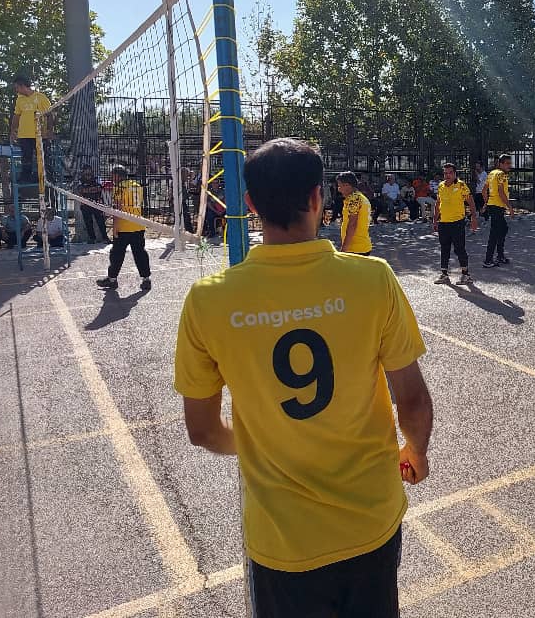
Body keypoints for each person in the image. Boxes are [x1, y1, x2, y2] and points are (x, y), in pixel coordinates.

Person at [173, 138, 433, 618]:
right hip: (370, 520)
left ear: (250, 205)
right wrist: (415, 451)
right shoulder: (373, 279)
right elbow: (413, 400)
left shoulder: (208, 300)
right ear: (317, 198)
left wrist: (262, 444)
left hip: (283, 540)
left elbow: (203, 430)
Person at [97, 165, 151, 291]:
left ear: (118, 175)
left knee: (116, 254)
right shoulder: (137, 186)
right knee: (140, 253)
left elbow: (118, 209)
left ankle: (112, 279)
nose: (111, 178)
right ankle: (146, 279)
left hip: (124, 227)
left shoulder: (119, 187)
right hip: (138, 224)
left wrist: (115, 227)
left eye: (112, 175)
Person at [433, 162, 479, 285]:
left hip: (457, 222)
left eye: (450, 173)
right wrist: (435, 220)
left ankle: (465, 274)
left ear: (455, 174)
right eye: (445, 173)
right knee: (444, 248)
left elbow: (470, 201)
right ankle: (444, 274)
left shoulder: (461, 185)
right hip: (443, 223)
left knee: (459, 248)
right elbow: (438, 203)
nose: (447, 175)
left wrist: (474, 218)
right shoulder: (441, 186)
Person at [10, 76, 53, 183]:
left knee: (42, 157)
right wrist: (13, 130)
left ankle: (45, 178)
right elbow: (16, 116)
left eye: (17, 87)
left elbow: (50, 115)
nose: (16, 90)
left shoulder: (41, 97)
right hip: (24, 135)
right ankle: (25, 178)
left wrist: (49, 130)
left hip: (39, 134)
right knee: (26, 158)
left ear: (22, 86)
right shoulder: (19, 99)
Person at [482, 154, 514, 268]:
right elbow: (501, 192)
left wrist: (486, 202)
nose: (509, 166)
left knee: (503, 229)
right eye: (507, 163)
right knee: (494, 233)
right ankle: (488, 260)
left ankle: (500, 255)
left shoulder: (492, 173)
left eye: (510, 163)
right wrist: (510, 207)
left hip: (493, 205)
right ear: (500, 164)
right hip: (497, 206)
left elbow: (484, 190)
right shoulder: (501, 174)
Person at [337, 171, 372, 255]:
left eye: (340, 186)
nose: (339, 189)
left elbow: (352, 224)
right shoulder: (359, 197)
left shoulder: (354, 199)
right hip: (360, 246)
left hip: (355, 248)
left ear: (347, 185)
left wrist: (344, 249)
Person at [75, 164, 109, 242]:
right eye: (85, 170)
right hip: (85, 204)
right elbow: (80, 190)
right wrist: (92, 189)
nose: (88, 172)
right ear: (83, 172)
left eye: (89, 170)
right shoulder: (80, 180)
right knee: (88, 223)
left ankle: (105, 238)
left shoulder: (97, 178)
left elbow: (100, 188)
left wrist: (88, 189)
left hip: (97, 204)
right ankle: (92, 239)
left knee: (101, 222)